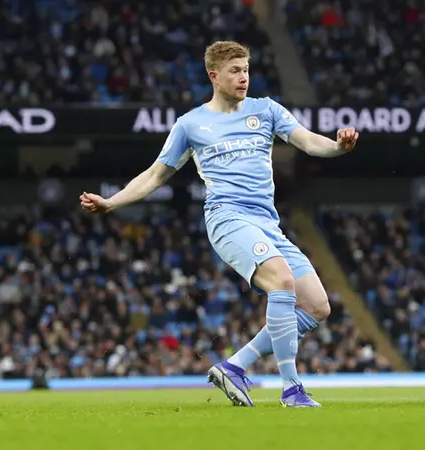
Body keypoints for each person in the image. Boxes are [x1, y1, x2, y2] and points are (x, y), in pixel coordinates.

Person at [80, 41, 359, 407]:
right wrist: (112, 202)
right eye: (234, 71)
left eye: (245, 69)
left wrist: (338, 147)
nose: (243, 77)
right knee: (282, 280)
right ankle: (292, 389)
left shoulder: (267, 110)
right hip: (227, 217)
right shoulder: (191, 124)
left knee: (317, 306)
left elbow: (309, 142)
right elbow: (155, 176)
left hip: (266, 224)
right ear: (214, 76)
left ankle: (235, 366)